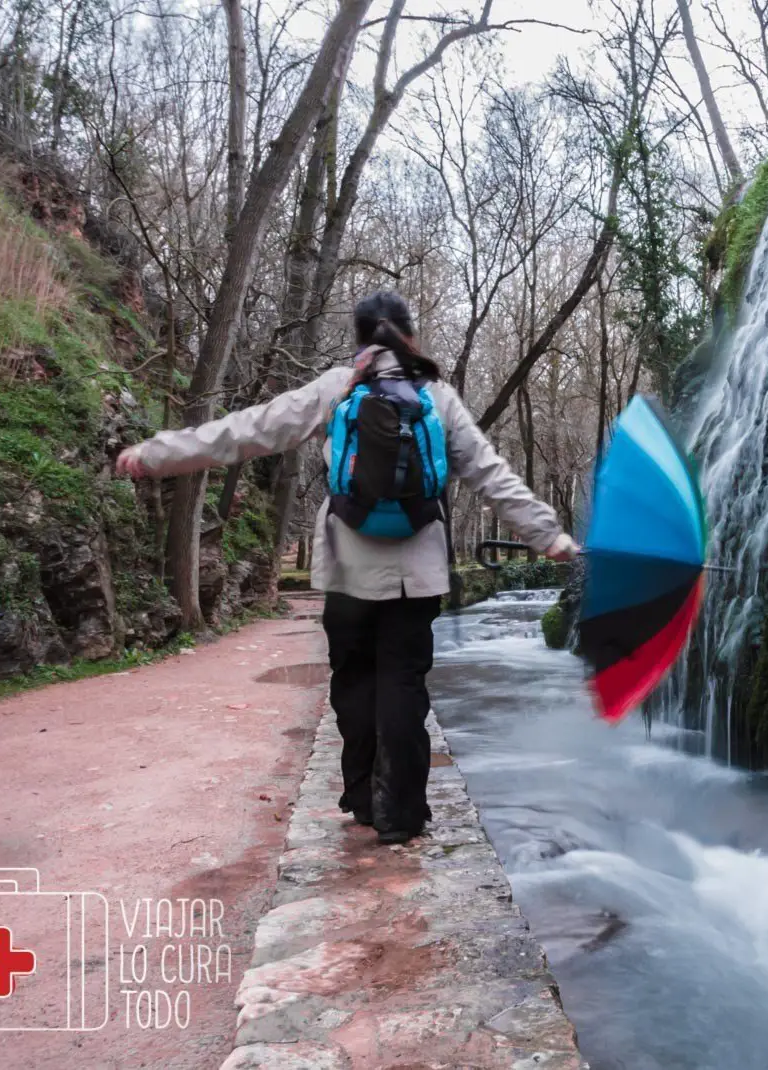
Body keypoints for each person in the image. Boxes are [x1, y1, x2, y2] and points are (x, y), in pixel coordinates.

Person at [117, 291, 577, 844]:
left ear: (362, 339)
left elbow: (246, 431)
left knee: (354, 683)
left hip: (347, 573)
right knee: (404, 686)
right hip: (417, 575)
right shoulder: (437, 397)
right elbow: (492, 475)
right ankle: (401, 814)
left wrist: (156, 454)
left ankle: (362, 796)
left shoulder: (338, 389)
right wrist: (549, 536)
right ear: (410, 337)